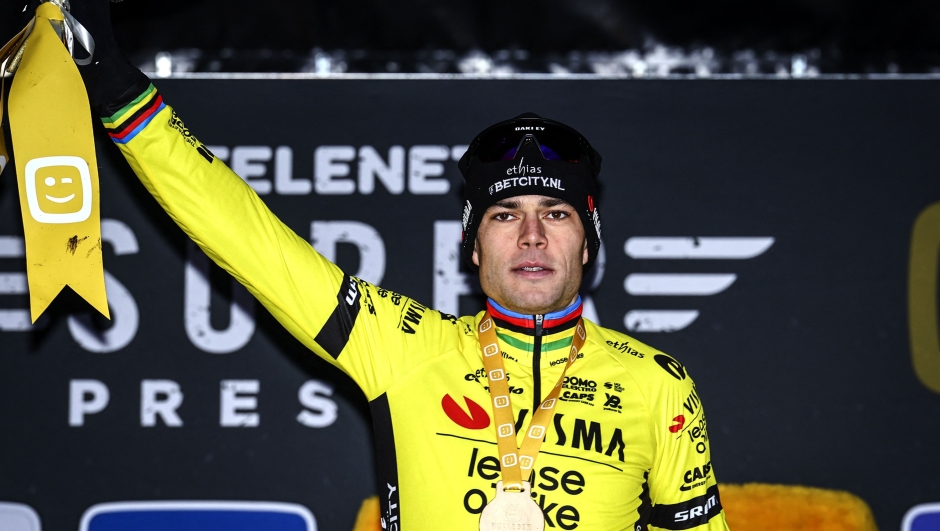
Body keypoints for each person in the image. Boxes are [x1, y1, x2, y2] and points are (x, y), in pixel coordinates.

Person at [52, 0, 731, 528]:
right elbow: (247, 238)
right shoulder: (403, 345)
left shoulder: (657, 385)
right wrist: (112, 84)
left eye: (556, 214)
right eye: (503, 215)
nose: (530, 235)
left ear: (588, 241)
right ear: (473, 245)